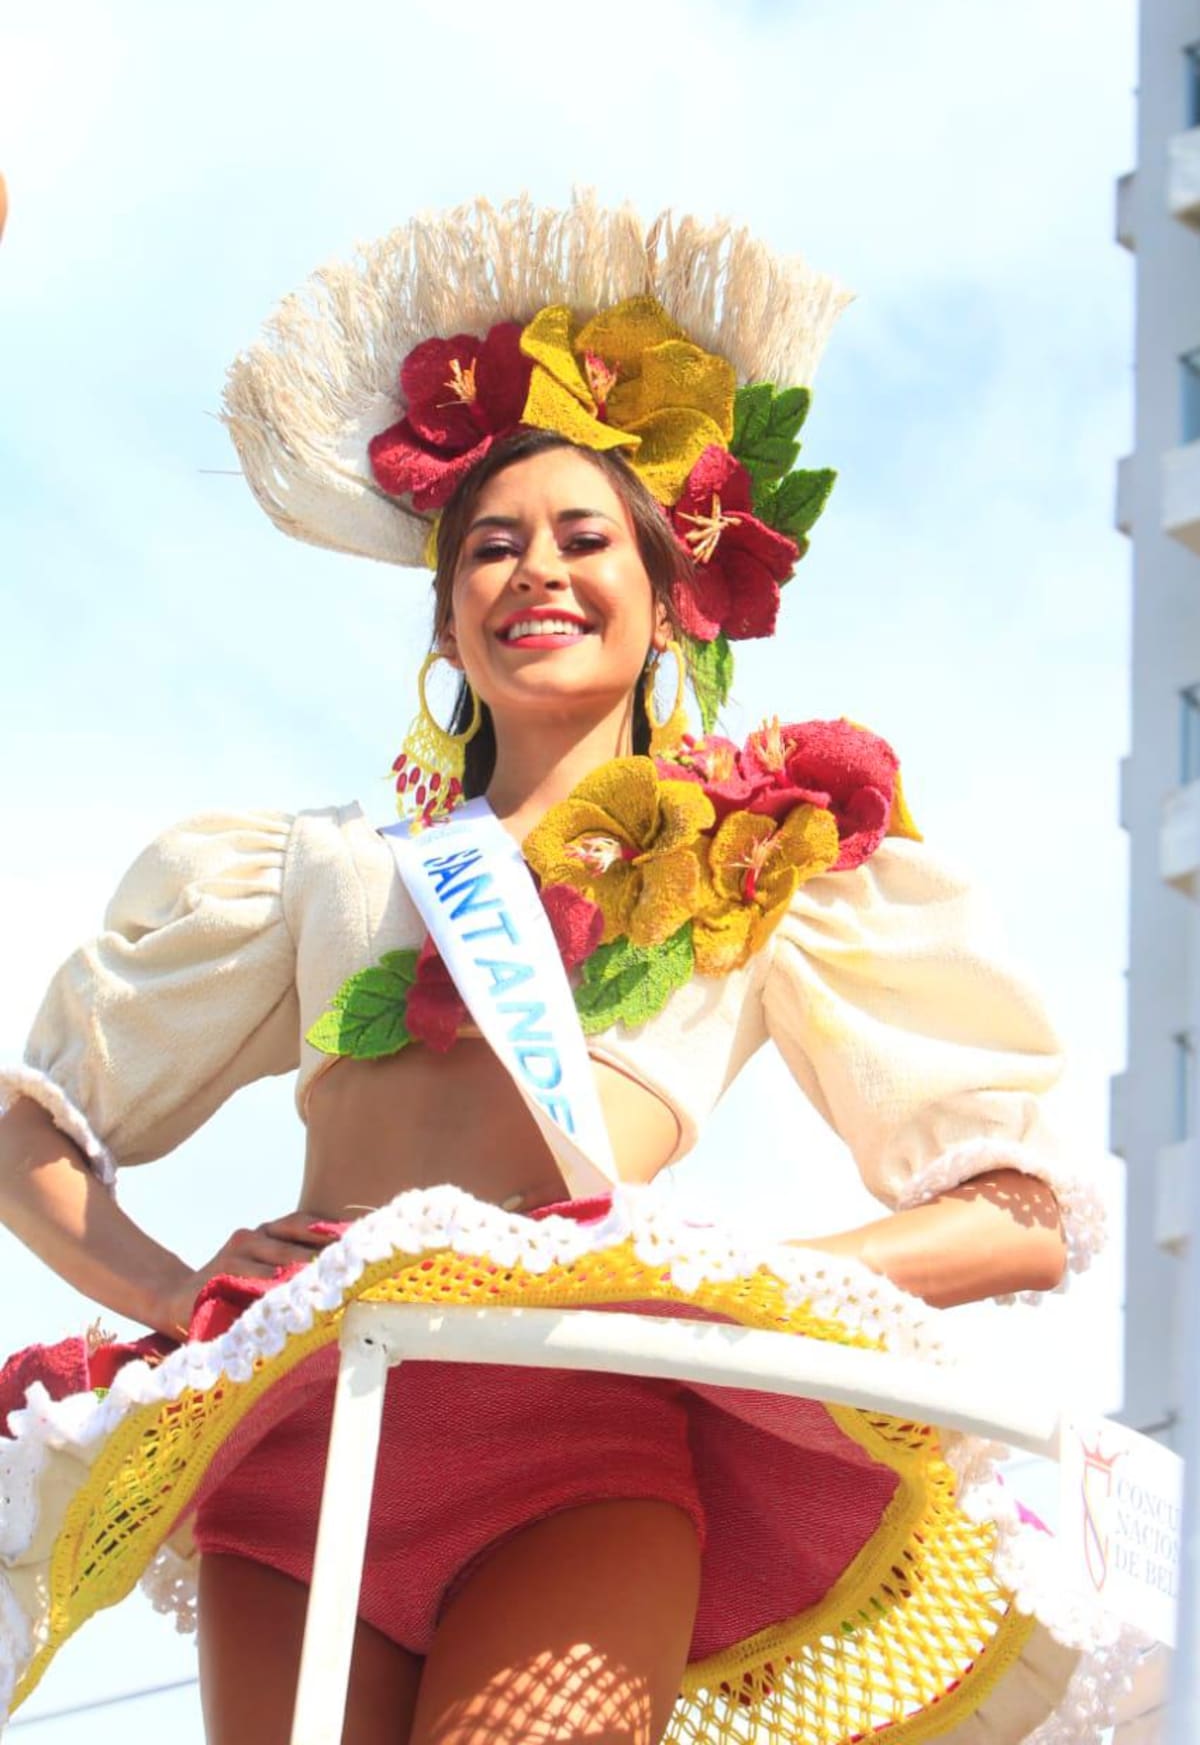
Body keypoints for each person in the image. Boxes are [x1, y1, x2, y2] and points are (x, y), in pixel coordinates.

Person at [0, 194, 1125, 1745]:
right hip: (309, 1433)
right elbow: (28, 1126)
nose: (535, 569)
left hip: (581, 1432)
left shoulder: (768, 868)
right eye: (489, 548)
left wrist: (715, 1288)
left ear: (670, 604)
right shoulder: (318, 870)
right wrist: (176, 1290)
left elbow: (1020, 1216)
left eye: (585, 537)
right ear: (449, 622)